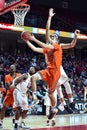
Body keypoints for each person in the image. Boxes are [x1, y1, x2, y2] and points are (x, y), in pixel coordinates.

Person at [44, 8, 80, 125]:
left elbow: (72, 45)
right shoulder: (49, 44)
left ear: (57, 39)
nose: (52, 36)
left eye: (54, 36)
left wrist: (75, 36)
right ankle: (57, 112)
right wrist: (49, 17)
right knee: (55, 92)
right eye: (52, 35)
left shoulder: (59, 45)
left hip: (59, 68)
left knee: (66, 83)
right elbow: (47, 30)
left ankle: (71, 102)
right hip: (50, 70)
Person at [0, 64, 21, 129]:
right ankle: (0, 123)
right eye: (11, 68)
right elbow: (9, 87)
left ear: (15, 69)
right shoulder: (7, 76)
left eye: (13, 68)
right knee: (3, 108)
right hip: (9, 95)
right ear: (9, 69)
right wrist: (15, 84)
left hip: (17, 94)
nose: (12, 69)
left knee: (17, 109)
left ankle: (15, 123)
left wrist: (12, 83)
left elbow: (20, 84)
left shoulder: (19, 75)